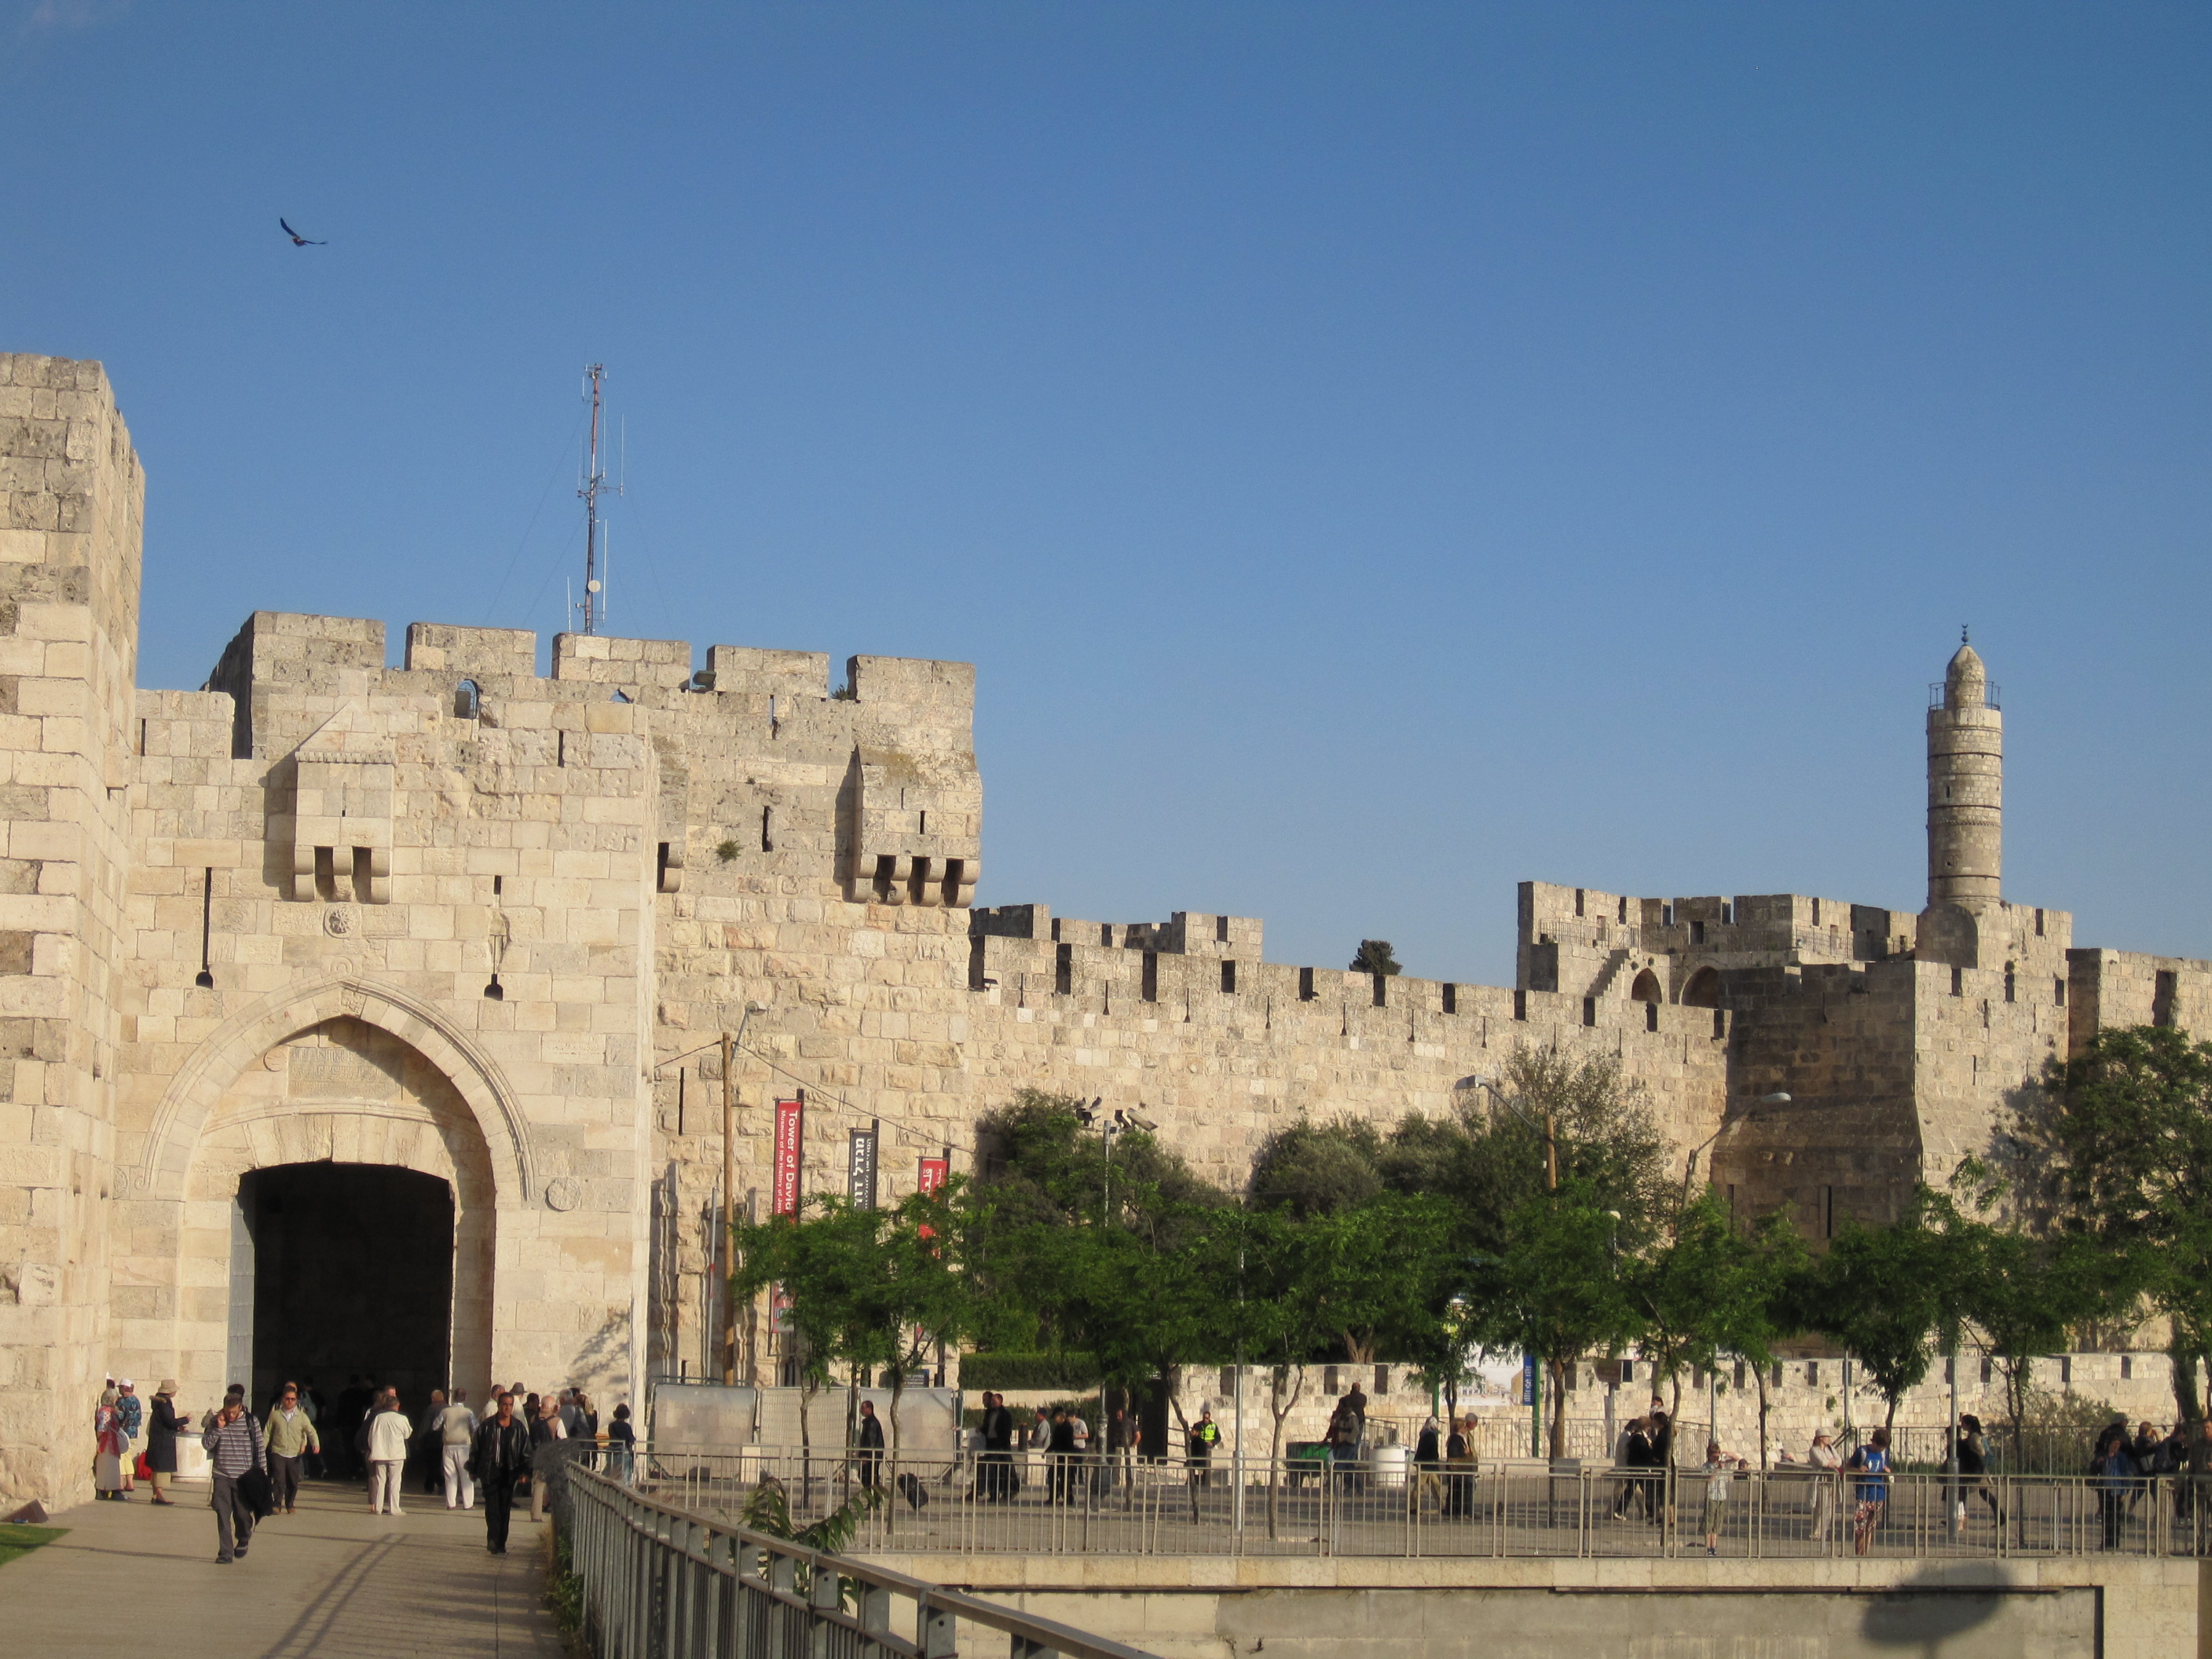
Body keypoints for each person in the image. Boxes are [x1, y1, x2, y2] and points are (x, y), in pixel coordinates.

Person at [202, 1391, 266, 1564]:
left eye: (234, 1412)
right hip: (221, 1475)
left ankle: (244, 1537)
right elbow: (206, 1444)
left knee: (242, 1514)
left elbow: (260, 1449)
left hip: (243, 1478)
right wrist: (218, 1428)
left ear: (240, 1408)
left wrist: (263, 1475)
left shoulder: (251, 1422)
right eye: (228, 1412)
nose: (231, 1415)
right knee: (223, 1515)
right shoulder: (217, 1421)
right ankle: (225, 1553)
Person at [471, 1391, 531, 1555]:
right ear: (499, 1406)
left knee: (504, 1509)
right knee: (492, 1509)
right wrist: (473, 1469)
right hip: (491, 1472)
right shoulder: (488, 1426)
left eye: (510, 1405)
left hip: (509, 1474)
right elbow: (477, 1448)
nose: (507, 1408)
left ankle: (501, 1542)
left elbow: (526, 1453)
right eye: (504, 1404)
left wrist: (524, 1472)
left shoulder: (518, 1428)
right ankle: (493, 1539)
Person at [263, 1382, 320, 1514]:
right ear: (283, 1399)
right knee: (279, 1479)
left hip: (294, 1454)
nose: (289, 1401)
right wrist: (262, 1448)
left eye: (292, 1399)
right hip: (278, 1451)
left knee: (293, 1481)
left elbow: (310, 1431)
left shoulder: (301, 1416)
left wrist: (315, 1444)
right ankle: (276, 1504)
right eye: (287, 1399)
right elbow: (267, 1432)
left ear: (296, 1400)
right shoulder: (275, 1415)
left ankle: (290, 1503)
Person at [1845, 1427, 1892, 1555]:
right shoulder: (1862, 1451)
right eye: (1880, 1446)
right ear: (1874, 1442)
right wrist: (1858, 1470)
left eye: (1884, 1447)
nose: (1881, 1449)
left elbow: (1885, 1467)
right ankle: (1859, 1553)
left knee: (1870, 1527)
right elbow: (1848, 1467)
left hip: (1878, 1493)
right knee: (1860, 1527)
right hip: (1863, 1494)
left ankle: (1865, 1553)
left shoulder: (1884, 1453)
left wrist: (1887, 1471)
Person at [366, 1388, 412, 1516]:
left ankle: (378, 1508)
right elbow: (407, 1434)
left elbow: (371, 1436)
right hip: (396, 1454)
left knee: (381, 1481)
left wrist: (373, 1448)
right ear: (397, 1406)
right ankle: (394, 1508)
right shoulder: (402, 1418)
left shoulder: (378, 1418)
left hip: (380, 1453)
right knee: (395, 1481)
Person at [2093, 1424, 2135, 1549]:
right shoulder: (2103, 1456)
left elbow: (2125, 1474)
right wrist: (2098, 1463)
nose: (2116, 1447)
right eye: (2114, 1444)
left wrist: (2124, 1492)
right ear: (2110, 1444)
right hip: (2104, 1490)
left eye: (2118, 1444)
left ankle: (2114, 1543)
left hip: (2117, 1491)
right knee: (2106, 1518)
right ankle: (2105, 1543)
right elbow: (2096, 1470)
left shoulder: (2121, 1458)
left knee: (2115, 1519)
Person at [437, 1388, 480, 1509]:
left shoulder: (445, 1411)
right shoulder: (468, 1412)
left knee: (450, 1476)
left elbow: (435, 1426)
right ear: (465, 1398)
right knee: (465, 1475)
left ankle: (451, 1504)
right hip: (463, 1446)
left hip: (448, 1445)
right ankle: (468, 1504)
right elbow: (476, 1428)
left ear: (453, 1397)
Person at [1956, 1414, 2001, 1526]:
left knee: (1962, 1493)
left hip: (1976, 1470)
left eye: (1963, 1424)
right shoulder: (1975, 1435)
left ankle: (1960, 1519)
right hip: (1976, 1469)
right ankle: (2000, 1517)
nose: (1962, 1426)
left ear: (1969, 1425)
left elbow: (1981, 1452)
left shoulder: (1974, 1437)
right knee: (1979, 1494)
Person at [1701, 1441, 1745, 1556]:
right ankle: (1708, 1548)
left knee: (1717, 1523)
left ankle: (1714, 1547)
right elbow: (1709, 1480)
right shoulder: (1706, 1466)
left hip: (1721, 1495)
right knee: (1709, 1522)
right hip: (1711, 1495)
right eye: (1714, 1455)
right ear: (1709, 1455)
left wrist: (1727, 1454)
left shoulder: (1723, 1463)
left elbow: (1737, 1459)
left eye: (1718, 1454)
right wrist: (1717, 1469)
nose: (1716, 1457)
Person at [529, 1392, 566, 1522]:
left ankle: (536, 1514)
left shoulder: (534, 1419)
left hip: (538, 1456)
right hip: (552, 1458)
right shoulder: (557, 1421)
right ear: (553, 1406)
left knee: (538, 1486)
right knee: (555, 1486)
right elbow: (563, 1441)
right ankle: (556, 1514)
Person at [148, 1380, 185, 1506]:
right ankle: (160, 1495)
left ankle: (155, 1495)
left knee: (157, 1468)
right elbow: (170, 1421)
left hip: (158, 1439)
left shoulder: (159, 1403)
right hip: (163, 1441)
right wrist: (184, 1420)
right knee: (161, 1470)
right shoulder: (164, 1405)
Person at [1613, 1417, 1653, 1522]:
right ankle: (1650, 1512)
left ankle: (1619, 1511)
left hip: (1633, 1468)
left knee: (1632, 1491)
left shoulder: (1634, 1437)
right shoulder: (1637, 1438)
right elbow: (1639, 1453)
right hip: (1637, 1468)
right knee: (1643, 1491)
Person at [1807, 1430, 1842, 1544]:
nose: (1829, 1439)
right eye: (1826, 1437)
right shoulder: (1814, 1450)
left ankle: (1826, 1531)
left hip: (1831, 1481)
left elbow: (1839, 1461)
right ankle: (1817, 1532)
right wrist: (1830, 1462)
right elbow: (1822, 1462)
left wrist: (1831, 1462)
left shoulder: (1830, 1449)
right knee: (1821, 1507)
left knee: (1830, 1508)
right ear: (1820, 1438)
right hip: (1820, 1481)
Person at [93, 1388, 129, 1500]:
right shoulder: (106, 1411)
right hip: (108, 1444)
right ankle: (107, 1490)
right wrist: (99, 1438)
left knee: (112, 1467)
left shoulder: (110, 1411)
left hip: (111, 1443)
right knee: (108, 1467)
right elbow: (103, 1427)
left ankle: (111, 1490)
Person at [1443, 1415, 1477, 1518]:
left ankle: (1459, 1512)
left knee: (1459, 1491)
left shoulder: (1460, 1437)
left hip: (1461, 1469)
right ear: (1459, 1428)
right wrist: (1464, 1452)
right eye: (1464, 1426)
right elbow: (1453, 1453)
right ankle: (1457, 1512)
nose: (1466, 1428)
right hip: (1457, 1469)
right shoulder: (1455, 1439)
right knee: (1457, 1491)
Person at [1413, 1415, 1445, 1514]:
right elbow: (1431, 1450)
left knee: (1435, 1485)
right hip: (1427, 1464)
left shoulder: (1424, 1432)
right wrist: (1435, 1459)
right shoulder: (1430, 1435)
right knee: (1421, 1486)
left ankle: (1443, 1506)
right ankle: (1413, 1507)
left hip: (1425, 1463)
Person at [116, 1380, 142, 1496]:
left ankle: (121, 1483)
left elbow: (120, 1416)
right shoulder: (136, 1400)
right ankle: (130, 1483)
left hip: (123, 1433)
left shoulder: (122, 1401)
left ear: (123, 1388)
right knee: (128, 1456)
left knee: (121, 1456)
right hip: (133, 1433)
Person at [1186, 1406, 1220, 1490]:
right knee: (1194, 1464)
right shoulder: (1198, 1425)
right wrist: (1192, 1435)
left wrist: (1212, 1443)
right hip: (1197, 1448)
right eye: (1204, 1418)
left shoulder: (1213, 1426)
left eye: (1207, 1418)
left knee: (1206, 1465)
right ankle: (1192, 1481)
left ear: (1209, 1418)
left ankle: (1204, 1481)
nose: (1205, 1419)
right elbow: (1193, 1435)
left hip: (1207, 1448)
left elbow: (1218, 1437)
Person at [856, 1399, 886, 1492]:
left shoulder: (871, 1423)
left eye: (863, 1408)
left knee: (868, 1477)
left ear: (869, 1409)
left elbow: (871, 1441)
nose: (861, 1410)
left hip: (872, 1456)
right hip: (873, 1456)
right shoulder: (869, 1422)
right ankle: (873, 1500)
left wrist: (867, 1456)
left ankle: (875, 1500)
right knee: (870, 1478)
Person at [606, 1402, 636, 1483]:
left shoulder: (611, 1425)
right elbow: (631, 1440)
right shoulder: (626, 1426)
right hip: (623, 1451)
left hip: (611, 1450)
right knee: (624, 1473)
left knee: (611, 1471)